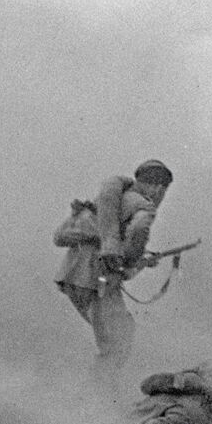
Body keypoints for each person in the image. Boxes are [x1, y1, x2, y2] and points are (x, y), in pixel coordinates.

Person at [54, 160, 173, 373]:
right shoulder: (143, 206)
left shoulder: (107, 201)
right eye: (163, 190)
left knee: (116, 335)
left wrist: (138, 261)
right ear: (158, 187)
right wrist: (133, 258)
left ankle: (97, 391)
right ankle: (98, 399)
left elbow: (63, 237)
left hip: (73, 279)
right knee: (118, 343)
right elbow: (137, 232)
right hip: (96, 283)